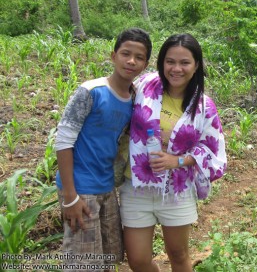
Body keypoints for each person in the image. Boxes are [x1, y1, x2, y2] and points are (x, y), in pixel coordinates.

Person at [120, 33, 227, 272]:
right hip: (136, 186)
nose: (176, 68)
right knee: (137, 260)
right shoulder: (144, 86)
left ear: (196, 65)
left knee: (178, 256)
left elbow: (212, 149)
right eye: (170, 61)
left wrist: (177, 160)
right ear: (161, 63)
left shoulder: (203, 106)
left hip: (176, 189)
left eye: (184, 62)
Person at [55, 28, 152, 271]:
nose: (131, 61)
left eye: (139, 57)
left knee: (108, 258)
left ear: (145, 64)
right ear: (113, 56)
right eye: (125, 54)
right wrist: (70, 196)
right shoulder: (91, 91)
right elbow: (63, 140)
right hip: (81, 189)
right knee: (83, 262)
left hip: (107, 187)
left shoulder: (133, 98)